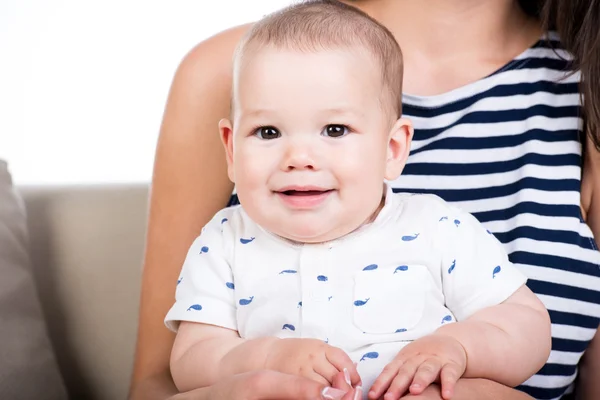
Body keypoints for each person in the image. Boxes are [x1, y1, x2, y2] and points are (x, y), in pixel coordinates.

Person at [129, 1, 600, 399]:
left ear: (394, 148)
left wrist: (460, 354)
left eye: (335, 130)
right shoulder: (227, 238)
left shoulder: (439, 226)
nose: (299, 158)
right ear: (230, 147)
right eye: (268, 132)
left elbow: (524, 324)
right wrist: (258, 365)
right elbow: (180, 368)